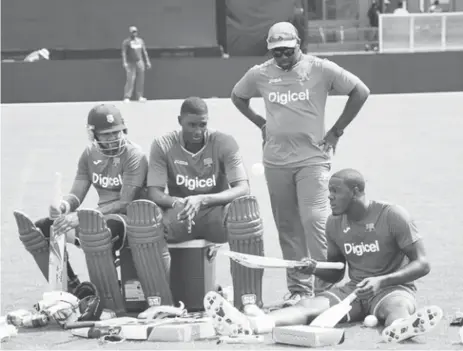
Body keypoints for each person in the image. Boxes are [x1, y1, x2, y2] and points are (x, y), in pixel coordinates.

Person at [204, 169, 444, 343]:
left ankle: (400, 327)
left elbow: (422, 264)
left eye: (335, 191)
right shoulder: (334, 223)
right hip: (354, 291)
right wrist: (314, 268)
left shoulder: (392, 215)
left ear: (356, 191)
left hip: (393, 288)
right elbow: (337, 270)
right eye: (329, 191)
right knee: (307, 306)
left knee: (397, 306)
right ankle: (250, 325)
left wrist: (382, 281)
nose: (329, 197)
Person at [231, 21, 370, 305]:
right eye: (276, 52)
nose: (281, 57)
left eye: (286, 51)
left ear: (298, 45)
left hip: (312, 159)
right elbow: (237, 96)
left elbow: (360, 91)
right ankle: (297, 289)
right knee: (288, 226)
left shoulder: (320, 68)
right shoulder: (260, 74)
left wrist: (336, 131)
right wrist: (261, 123)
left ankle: (324, 289)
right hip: (275, 161)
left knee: (315, 220)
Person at [126, 96, 265, 313]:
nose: (198, 130)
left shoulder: (223, 142)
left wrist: (202, 199)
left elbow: (242, 188)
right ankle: (161, 305)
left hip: (215, 215)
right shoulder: (163, 144)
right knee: (144, 220)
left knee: (246, 212)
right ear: (180, 120)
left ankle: (248, 301)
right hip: (180, 214)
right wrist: (178, 202)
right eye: (192, 125)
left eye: (203, 124)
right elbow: (154, 192)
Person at [14, 104, 148, 314]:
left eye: (117, 132)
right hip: (99, 218)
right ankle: (74, 290)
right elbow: (76, 193)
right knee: (44, 228)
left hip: (127, 220)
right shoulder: (89, 155)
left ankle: (110, 301)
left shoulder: (135, 155)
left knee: (98, 231)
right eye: (107, 134)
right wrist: (63, 206)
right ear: (93, 134)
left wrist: (83, 217)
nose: (114, 138)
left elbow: (125, 201)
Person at [122, 26, 151, 102]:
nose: (134, 33)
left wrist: (147, 61)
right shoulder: (126, 42)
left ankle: (139, 96)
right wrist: (125, 62)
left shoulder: (140, 41)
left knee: (140, 79)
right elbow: (124, 53)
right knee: (130, 79)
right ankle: (127, 97)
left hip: (140, 62)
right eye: (132, 32)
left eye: (135, 31)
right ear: (130, 32)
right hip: (131, 63)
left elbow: (144, 52)